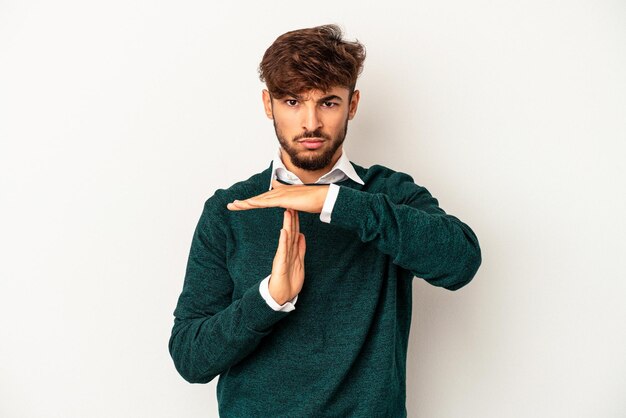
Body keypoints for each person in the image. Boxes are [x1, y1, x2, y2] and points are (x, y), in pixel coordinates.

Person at [169, 24, 482, 417]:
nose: (311, 123)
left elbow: (461, 261)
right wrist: (270, 299)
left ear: (352, 105)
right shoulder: (231, 209)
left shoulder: (387, 195)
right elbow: (190, 357)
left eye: (328, 103)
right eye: (293, 102)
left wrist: (334, 200)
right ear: (269, 104)